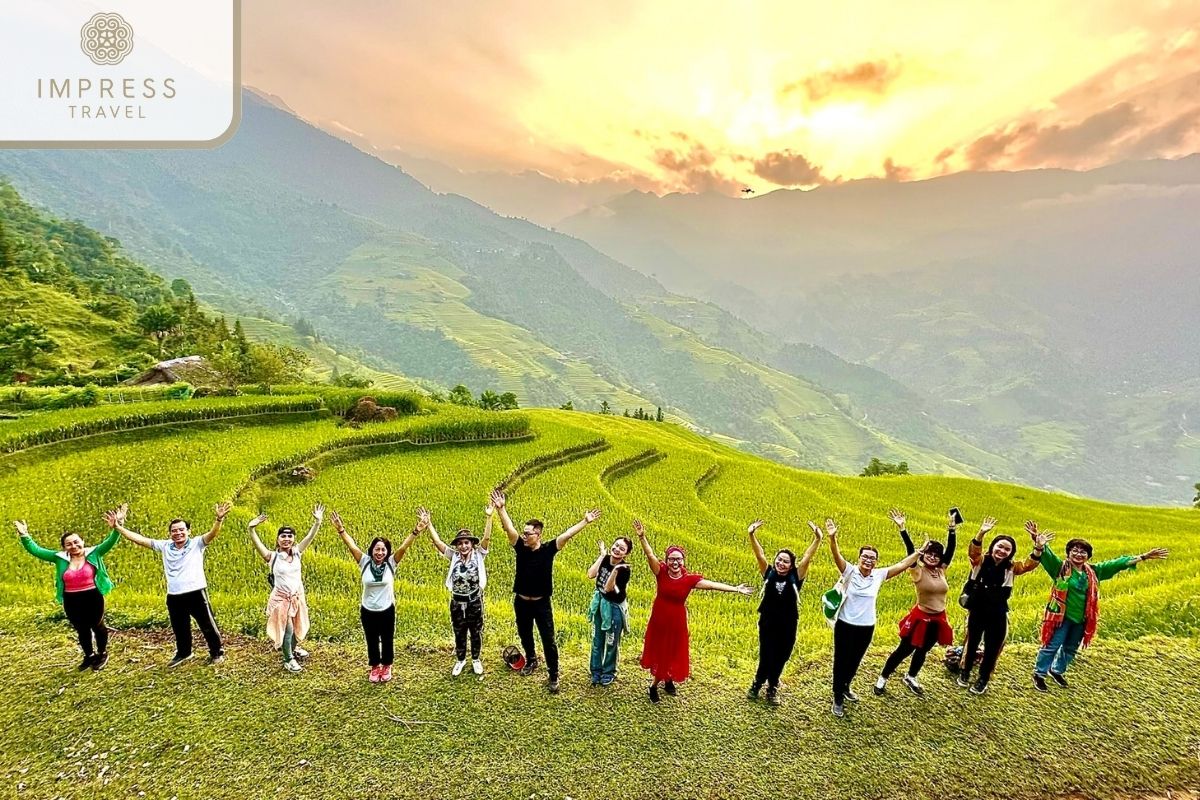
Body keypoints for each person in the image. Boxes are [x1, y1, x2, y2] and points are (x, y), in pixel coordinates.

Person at [1027, 520, 1168, 691]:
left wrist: (1143, 557)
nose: (1079, 554)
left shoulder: (1093, 572)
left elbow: (1117, 563)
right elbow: (1046, 555)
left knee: (1070, 648)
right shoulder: (1059, 568)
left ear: (1088, 556)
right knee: (1052, 646)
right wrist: (1037, 540)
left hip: (1082, 618)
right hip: (1061, 617)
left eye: (1083, 552)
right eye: (1075, 550)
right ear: (1068, 553)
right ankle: (1039, 674)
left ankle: (1056, 670)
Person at [492, 488, 601, 694]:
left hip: (542, 603)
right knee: (525, 634)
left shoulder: (549, 549)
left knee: (548, 639)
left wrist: (585, 521)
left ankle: (553, 674)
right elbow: (509, 529)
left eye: (528, 533)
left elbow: (567, 535)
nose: (524, 536)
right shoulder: (520, 548)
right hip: (521, 601)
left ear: (538, 534)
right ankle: (531, 660)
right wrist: (501, 509)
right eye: (523, 533)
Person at [636, 519, 752, 703]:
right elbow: (650, 555)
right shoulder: (661, 572)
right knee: (662, 651)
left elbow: (713, 585)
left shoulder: (689, 579)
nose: (675, 562)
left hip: (677, 619)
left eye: (678, 559)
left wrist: (735, 588)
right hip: (660, 618)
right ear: (667, 560)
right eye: (672, 559)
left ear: (683, 561)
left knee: (673, 650)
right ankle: (653, 686)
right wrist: (642, 537)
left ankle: (668, 680)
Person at [114, 502, 231, 666]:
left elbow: (212, 534)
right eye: (174, 531)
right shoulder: (165, 546)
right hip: (174, 594)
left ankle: (216, 652)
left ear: (188, 531)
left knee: (207, 624)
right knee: (179, 627)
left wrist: (219, 519)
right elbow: (140, 539)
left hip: (196, 592)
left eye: (181, 530)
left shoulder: (197, 543)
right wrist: (118, 527)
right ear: (169, 533)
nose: (178, 533)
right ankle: (184, 653)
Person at [826, 517, 920, 718]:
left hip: (866, 626)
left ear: (876, 561)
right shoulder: (849, 571)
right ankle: (837, 697)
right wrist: (833, 538)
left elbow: (903, 564)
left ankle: (846, 687)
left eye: (872, 558)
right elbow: (837, 556)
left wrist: (918, 553)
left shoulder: (879, 575)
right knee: (841, 660)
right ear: (859, 558)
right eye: (865, 556)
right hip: (845, 624)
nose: (868, 560)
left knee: (856, 659)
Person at [14, 506, 124, 671]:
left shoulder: (94, 553)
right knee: (81, 628)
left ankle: (102, 653)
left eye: (76, 542)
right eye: (68, 544)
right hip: (71, 598)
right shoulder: (59, 558)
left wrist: (118, 525)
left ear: (82, 541)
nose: (73, 546)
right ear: (64, 547)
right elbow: (36, 550)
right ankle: (89, 656)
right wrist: (25, 535)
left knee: (97, 625)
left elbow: (111, 540)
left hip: (92, 596)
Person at [955, 517, 1049, 694]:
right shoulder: (980, 561)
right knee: (972, 641)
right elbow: (973, 552)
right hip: (976, 609)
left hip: (997, 612)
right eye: (999, 546)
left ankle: (983, 678)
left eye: (1007, 549)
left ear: (1011, 552)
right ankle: (965, 671)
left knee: (993, 646)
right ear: (992, 547)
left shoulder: (1012, 567)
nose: (1002, 550)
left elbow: (1030, 565)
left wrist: (1038, 547)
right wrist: (981, 532)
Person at [873, 509, 959, 697]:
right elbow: (911, 552)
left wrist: (952, 528)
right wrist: (903, 529)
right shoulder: (917, 571)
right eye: (929, 553)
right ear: (923, 554)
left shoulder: (941, 570)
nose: (933, 557)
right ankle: (883, 677)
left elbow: (950, 551)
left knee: (924, 649)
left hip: (938, 618)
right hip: (921, 617)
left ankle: (911, 676)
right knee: (904, 650)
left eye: (936, 555)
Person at [332, 509, 420, 683]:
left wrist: (416, 531)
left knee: (387, 639)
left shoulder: (391, 564)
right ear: (372, 550)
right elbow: (352, 546)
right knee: (371, 639)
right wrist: (341, 530)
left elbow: (404, 546)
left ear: (387, 552)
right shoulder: (364, 562)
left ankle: (387, 666)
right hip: (368, 609)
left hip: (387, 609)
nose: (380, 553)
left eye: (383, 550)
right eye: (377, 549)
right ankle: (374, 667)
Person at [745, 518, 822, 705]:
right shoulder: (769, 572)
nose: (781, 563)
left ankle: (772, 687)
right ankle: (757, 683)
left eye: (785, 561)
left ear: (791, 565)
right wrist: (751, 534)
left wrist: (818, 539)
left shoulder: (797, 576)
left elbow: (807, 557)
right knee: (766, 653)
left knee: (782, 655)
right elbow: (760, 555)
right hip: (768, 621)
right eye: (779, 559)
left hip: (788, 623)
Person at [248, 504, 324, 673]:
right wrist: (251, 529)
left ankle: (293, 649)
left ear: (293, 539)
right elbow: (257, 544)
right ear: (278, 539)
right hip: (281, 600)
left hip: (297, 597)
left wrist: (318, 522)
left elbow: (310, 538)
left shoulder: (297, 553)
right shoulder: (272, 557)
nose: (286, 539)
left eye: (290, 536)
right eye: (283, 536)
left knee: (298, 627)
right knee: (287, 630)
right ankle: (288, 659)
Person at [422, 501, 493, 676]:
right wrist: (428, 524)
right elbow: (438, 542)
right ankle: (460, 660)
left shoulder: (479, 555)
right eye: (460, 543)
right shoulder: (453, 556)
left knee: (475, 631)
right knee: (459, 631)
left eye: (467, 543)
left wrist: (489, 516)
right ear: (457, 546)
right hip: (456, 601)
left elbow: (486, 538)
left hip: (474, 600)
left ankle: (476, 659)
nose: (463, 546)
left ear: (472, 544)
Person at [586, 532, 633, 686]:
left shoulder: (624, 570)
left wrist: (615, 570)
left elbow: (608, 588)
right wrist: (601, 555)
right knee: (597, 639)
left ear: (626, 554)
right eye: (616, 545)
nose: (617, 549)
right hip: (600, 603)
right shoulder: (605, 559)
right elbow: (591, 574)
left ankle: (609, 672)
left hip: (614, 608)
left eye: (622, 548)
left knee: (612, 641)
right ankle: (595, 671)